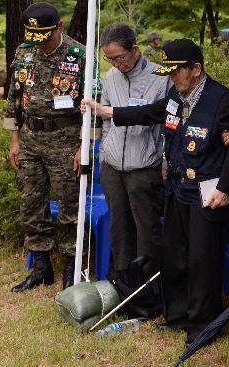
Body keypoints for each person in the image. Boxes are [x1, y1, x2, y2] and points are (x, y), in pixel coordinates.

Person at [83, 38, 229, 345]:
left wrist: (223, 188)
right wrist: (108, 112)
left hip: (207, 193)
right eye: (167, 72)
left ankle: (202, 325)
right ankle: (177, 316)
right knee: (175, 257)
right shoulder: (175, 94)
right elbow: (151, 113)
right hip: (177, 188)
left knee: (201, 259)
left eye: (175, 71)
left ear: (195, 69)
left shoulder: (220, 98)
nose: (170, 77)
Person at [4, 2, 85, 292]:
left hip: (65, 140)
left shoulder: (79, 55)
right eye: (34, 37)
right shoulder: (24, 51)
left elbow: (92, 104)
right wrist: (14, 139)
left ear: (59, 27)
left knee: (69, 206)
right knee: (31, 203)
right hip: (29, 139)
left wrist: (83, 147)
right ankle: (41, 266)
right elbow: (15, 97)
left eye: (46, 37)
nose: (40, 44)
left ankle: (70, 267)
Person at [97, 23, 169, 272]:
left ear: (135, 49)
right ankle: (123, 284)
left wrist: (164, 160)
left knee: (146, 229)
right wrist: (104, 154)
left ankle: (148, 288)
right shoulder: (111, 78)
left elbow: (167, 124)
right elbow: (105, 121)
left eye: (119, 57)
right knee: (119, 228)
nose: (116, 63)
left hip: (144, 166)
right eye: (109, 59)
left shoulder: (161, 77)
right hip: (112, 166)